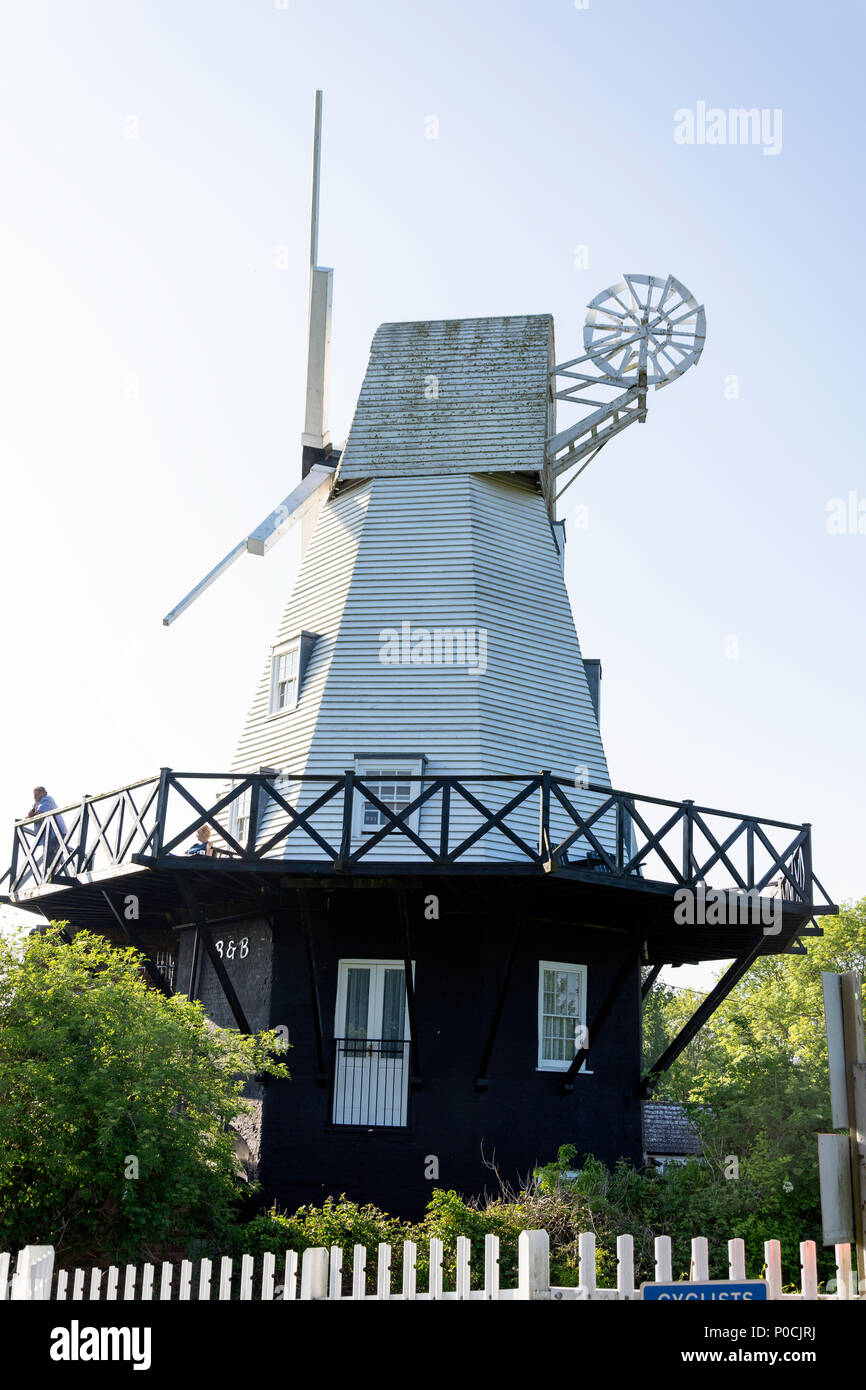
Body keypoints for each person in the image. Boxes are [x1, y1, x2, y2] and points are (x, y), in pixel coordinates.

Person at [26, 786, 68, 875]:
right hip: (50, 835)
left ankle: (51, 876)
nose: (34, 797)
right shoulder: (38, 803)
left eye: (36, 795)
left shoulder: (47, 800)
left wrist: (32, 814)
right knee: (50, 857)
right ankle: (50, 875)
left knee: (51, 856)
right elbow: (28, 816)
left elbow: (40, 813)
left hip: (56, 833)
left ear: (43, 793)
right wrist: (30, 814)